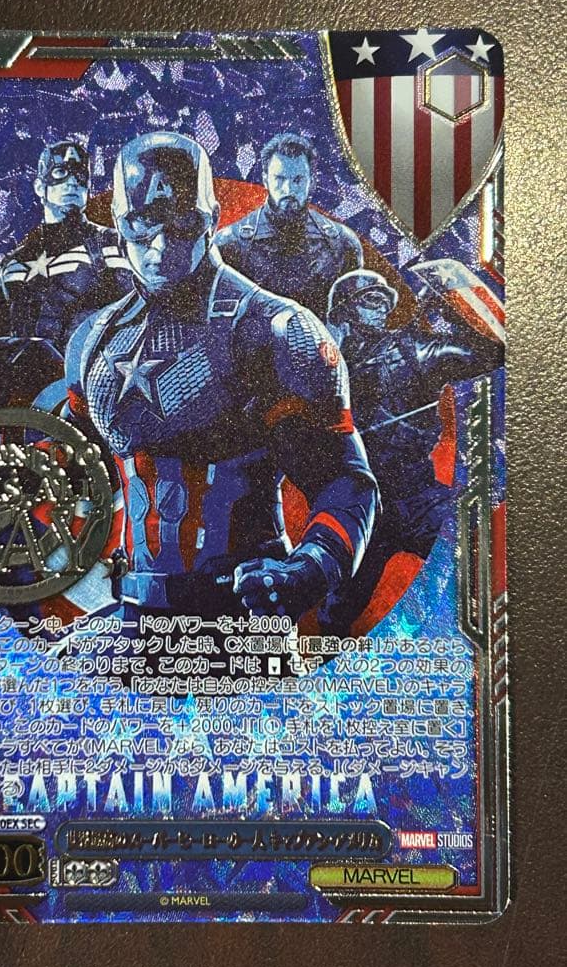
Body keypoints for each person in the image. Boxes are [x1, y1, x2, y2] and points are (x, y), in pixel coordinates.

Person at [65, 132, 378, 623]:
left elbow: (345, 480)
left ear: (210, 219)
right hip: (135, 613)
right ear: (120, 226)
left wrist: (308, 570)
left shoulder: (275, 329)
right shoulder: (91, 343)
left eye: (182, 223)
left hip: (245, 615)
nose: (162, 245)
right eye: (144, 224)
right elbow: (76, 474)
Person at [322, 268, 499, 632]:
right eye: (372, 300)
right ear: (344, 310)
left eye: (385, 302)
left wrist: (451, 312)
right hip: (361, 507)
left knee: (477, 551)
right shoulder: (322, 366)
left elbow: (484, 355)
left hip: (416, 497)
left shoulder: (411, 350)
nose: (383, 309)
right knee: (336, 612)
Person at [0, 140, 131, 349]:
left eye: (80, 175)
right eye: (61, 172)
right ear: (39, 187)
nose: (72, 183)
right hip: (30, 369)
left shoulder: (115, 244)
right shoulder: (9, 268)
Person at [214, 132, 362, 322]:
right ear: (265, 179)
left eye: (298, 180)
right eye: (280, 179)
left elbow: (352, 323)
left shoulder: (342, 244)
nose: (288, 190)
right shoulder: (229, 244)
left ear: (312, 181)